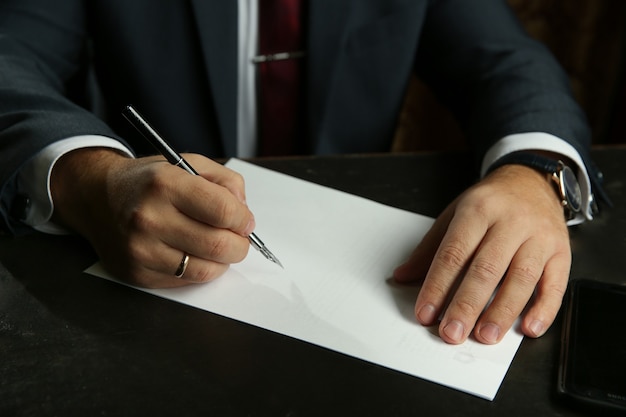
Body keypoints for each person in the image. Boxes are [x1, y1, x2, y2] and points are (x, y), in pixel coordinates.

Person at [0, 0, 607, 345]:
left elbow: (506, 61)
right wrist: (89, 179)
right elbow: (11, 57)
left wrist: (532, 173)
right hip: (138, 313)